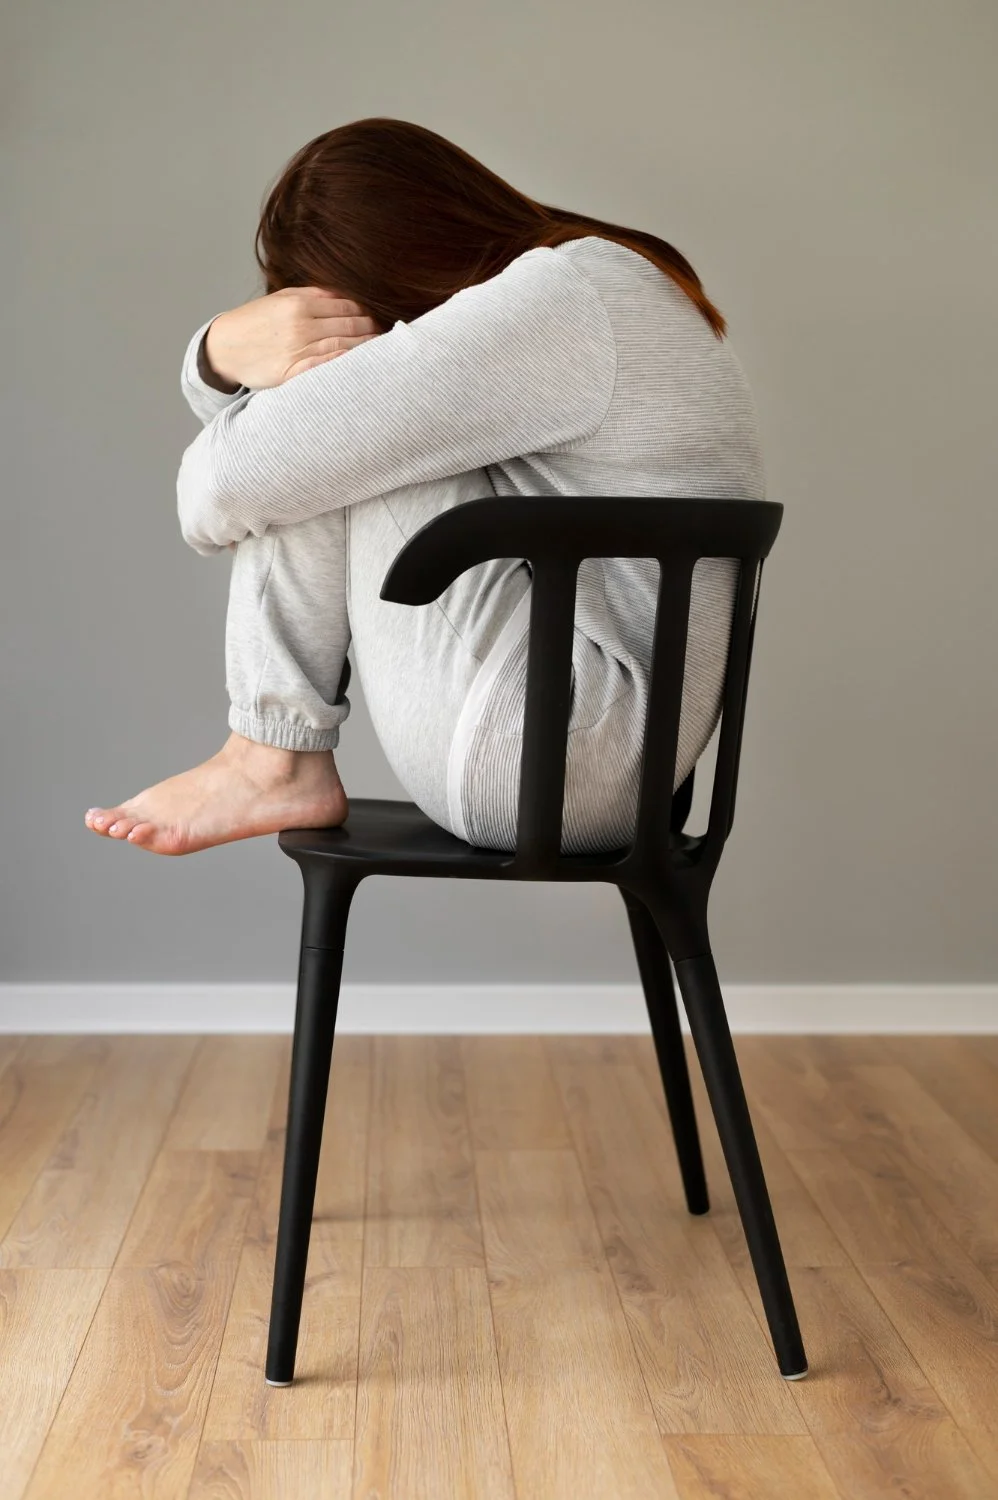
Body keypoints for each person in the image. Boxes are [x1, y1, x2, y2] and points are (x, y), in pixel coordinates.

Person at [84, 116, 763, 857]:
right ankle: (272, 757)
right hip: (604, 762)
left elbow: (220, 487)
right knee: (325, 429)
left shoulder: (564, 299)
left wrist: (219, 350)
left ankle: (271, 758)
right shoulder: (595, 287)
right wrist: (219, 361)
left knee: (315, 427)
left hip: (548, 756)